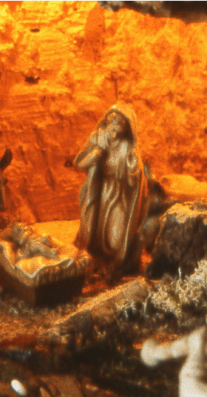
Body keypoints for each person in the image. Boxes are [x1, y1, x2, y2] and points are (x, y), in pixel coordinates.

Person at [74, 103, 150, 279]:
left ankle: (115, 262)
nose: (113, 130)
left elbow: (134, 180)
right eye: (111, 124)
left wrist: (133, 169)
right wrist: (95, 154)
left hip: (120, 196)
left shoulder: (128, 148)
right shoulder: (98, 138)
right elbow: (79, 163)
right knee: (92, 232)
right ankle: (93, 259)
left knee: (116, 243)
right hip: (99, 193)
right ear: (106, 123)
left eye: (118, 125)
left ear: (126, 128)